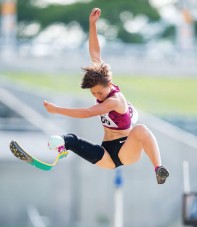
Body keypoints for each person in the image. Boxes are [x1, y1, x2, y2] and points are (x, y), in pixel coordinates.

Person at [44, 8, 169, 184]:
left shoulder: (113, 101)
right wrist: (92, 24)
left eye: (99, 93)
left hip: (126, 150)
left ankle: (159, 168)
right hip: (107, 155)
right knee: (70, 139)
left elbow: (87, 113)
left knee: (141, 129)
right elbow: (95, 52)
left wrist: (57, 110)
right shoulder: (101, 79)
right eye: (93, 93)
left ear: (109, 85)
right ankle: (63, 146)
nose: (97, 96)